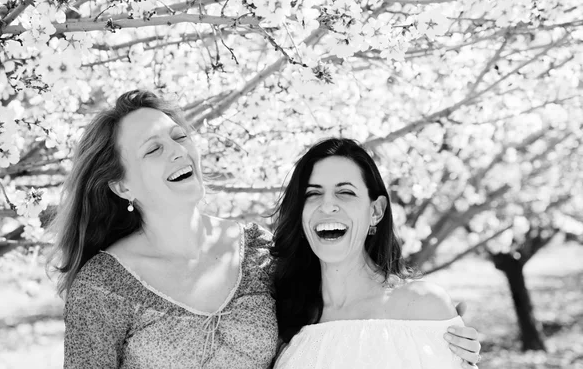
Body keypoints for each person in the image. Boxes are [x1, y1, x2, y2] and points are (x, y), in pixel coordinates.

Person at [50, 90, 481, 368]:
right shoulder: (103, 286)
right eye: (154, 149)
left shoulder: (257, 250)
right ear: (121, 183)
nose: (178, 153)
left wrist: (429, 338)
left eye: (180, 137)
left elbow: (342, 311)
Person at [271, 138, 481, 369]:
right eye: (312, 194)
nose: (327, 205)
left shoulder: (421, 307)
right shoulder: (283, 319)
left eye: (345, 192)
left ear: (376, 211)